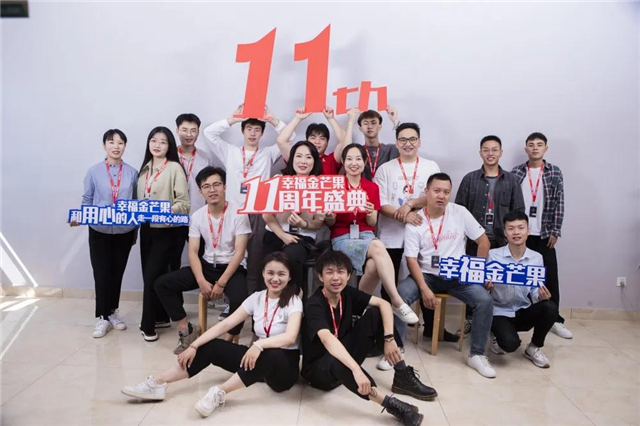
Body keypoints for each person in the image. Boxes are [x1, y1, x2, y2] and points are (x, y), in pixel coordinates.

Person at [122, 252, 303, 419]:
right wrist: (194, 345)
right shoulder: (257, 298)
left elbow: (290, 337)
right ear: (263, 274)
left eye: (281, 274)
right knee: (211, 345)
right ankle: (158, 384)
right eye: (270, 273)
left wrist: (259, 345)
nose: (275, 278)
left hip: (283, 369)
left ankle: (219, 392)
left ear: (289, 277)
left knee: (271, 353)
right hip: (257, 359)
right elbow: (225, 324)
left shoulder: (293, 300)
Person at [301, 250, 435, 426]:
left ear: (348, 276)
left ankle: (402, 375)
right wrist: (356, 369)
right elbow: (327, 339)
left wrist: (389, 339)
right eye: (329, 272)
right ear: (320, 276)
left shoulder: (346, 293)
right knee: (337, 359)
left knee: (375, 314)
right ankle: (391, 404)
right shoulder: (314, 304)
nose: (336, 278)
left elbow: (383, 304)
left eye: (341, 272)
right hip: (319, 371)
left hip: (342, 355)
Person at [396, 173, 496, 378]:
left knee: (484, 300)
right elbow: (411, 260)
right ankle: (396, 350)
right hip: (426, 275)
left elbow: (483, 241)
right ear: (426, 192)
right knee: (401, 295)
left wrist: (478, 273)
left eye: (446, 192)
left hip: (457, 276)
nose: (441, 196)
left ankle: (477, 354)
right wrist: (424, 288)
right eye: (437, 191)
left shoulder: (460, 212)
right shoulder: (416, 220)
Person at [155, 167, 250, 352]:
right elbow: (193, 252)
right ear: (200, 192)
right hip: (207, 266)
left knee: (240, 298)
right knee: (162, 284)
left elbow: (239, 253)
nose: (212, 190)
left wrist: (221, 283)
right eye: (206, 186)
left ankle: (229, 338)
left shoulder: (239, 213)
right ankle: (186, 329)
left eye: (216, 185)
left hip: (232, 267)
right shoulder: (197, 216)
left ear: (224, 187)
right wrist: (201, 281)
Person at [323, 143, 418, 324]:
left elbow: (372, 223)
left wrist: (369, 213)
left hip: (365, 235)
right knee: (377, 245)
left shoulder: (371, 187)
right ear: (343, 161)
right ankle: (397, 301)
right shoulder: (335, 186)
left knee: (374, 266)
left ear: (365, 162)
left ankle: (355, 311)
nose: (354, 163)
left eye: (358, 159)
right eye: (349, 159)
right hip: (342, 237)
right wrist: (330, 216)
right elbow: (330, 223)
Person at [203, 104, 293, 293]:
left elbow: (289, 137)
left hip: (258, 213)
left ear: (262, 133)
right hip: (233, 212)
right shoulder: (230, 151)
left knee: (255, 259)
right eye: (249, 129)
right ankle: (231, 298)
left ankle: (253, 298)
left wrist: (273, 119)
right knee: (231, 256)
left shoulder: (268, 153)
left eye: (257, 129)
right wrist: (234, 119)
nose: (253, 133)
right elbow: (209, 133)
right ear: (242, 131)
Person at [453, 135, 525, 337]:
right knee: (472, 281)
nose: (490, 153)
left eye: (494, 150)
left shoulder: (511, 180)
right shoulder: (470, 179)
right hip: (474, 241)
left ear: (501, 153)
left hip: (502, 241)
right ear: (480, 153)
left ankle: (496, 323)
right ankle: (470, 320)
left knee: (497, 281)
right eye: (486, 150)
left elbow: (518, 210)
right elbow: (458, 211)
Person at [71, 129, 138, 338]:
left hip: (124, 231)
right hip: (99, 230)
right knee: (101, 272)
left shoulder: (132, 173)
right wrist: (80, 217)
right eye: (111, 142)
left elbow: (136, 204)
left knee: (117, 272)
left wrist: (134, 232)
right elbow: (87, 199)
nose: (116, 146)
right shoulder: (94, 172)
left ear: (125, 146)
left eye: (120, 143)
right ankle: (102, 317)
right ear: (104, 145)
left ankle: (113, 312)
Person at [511, 132, 571, 339]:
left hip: (544, 233)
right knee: (518, 274)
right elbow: (510, 201)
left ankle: (555, 319)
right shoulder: (516, 172)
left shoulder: (554, 171)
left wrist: (555, 230)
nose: (535, 148)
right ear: (525, 149)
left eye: (539, 144)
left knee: (550, 276)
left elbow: (559, 202)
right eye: (531, 144)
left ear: (546, 148)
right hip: (520, 234)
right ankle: (519, 315)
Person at [137, 126, 190, 341]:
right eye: (153, 140)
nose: (157, 145)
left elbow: (184, 204)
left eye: (163, 141)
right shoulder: (144, 169)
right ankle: (160, 317)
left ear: (169, 146)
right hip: (146, 229)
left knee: (152, 277)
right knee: (149, 275)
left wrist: (161, 210)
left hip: (166, 231)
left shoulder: (174, 168)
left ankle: (147, 325)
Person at [488, 210, 558, 368]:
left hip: (523, 309)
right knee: (510, 345)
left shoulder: (536, 258)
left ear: (528, 231)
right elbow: (486, 288)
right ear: (505, 232)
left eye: (521, 228)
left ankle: (533, 347)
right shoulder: (493, 255)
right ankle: (497, 336)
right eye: (511, 228)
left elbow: (534, 289)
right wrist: (487, 287)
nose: (516, 232)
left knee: (550, 307)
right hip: (499, 311)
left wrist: (540, 295)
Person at [262, 141, 325, 293]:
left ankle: (294, 299)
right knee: (268, 267)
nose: (303, 161)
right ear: (292, 159)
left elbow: (318, 223)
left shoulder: (320, 186)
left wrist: (304, 224)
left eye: (308, 157)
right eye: (299, 156)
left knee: (289, 259)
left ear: (314, 161)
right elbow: (266, 215)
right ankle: (269, 304)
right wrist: (283, 235)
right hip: (275, 234)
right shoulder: (278, 180)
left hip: (302, 239)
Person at [170, 113, 214, 272]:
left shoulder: (205, 157)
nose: (189, 135)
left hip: (198, 216)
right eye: (184, 130)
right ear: (177, 131)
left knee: (202, 257)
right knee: (172, 259)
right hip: (174, 216)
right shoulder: (170, 157)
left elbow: (209, 187)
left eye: (193, 130)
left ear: (198, 132)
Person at [276, 106, 346, 174]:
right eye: (313, 138)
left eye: (322, 138)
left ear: (327, 143)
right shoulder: (297, 158)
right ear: (307, 140)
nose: (317, 142)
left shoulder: (332, 160)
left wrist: (331, 118)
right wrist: (297, 118)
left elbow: (345, 140)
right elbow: (281, 141)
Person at [341, 107, 401, 178]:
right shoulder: (358, 151)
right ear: (360, 128)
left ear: (380, 127)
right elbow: (346, 151)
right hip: (363, 185)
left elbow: (404, 143)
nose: (369, 126)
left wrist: (395, 121)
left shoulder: (391, 149)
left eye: (373, 123)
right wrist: (350, 123)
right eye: (365, 123)